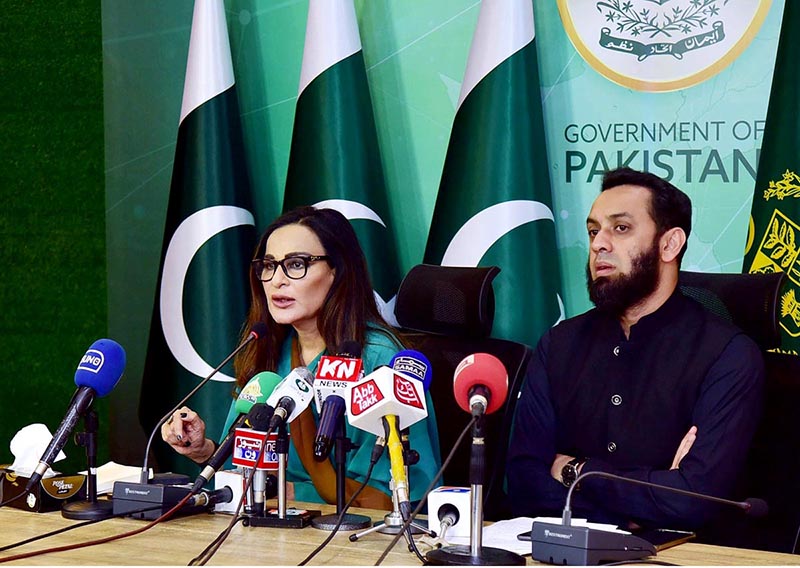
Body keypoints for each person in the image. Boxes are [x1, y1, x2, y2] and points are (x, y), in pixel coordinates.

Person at [506, 167, 764, 531]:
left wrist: (575, 470)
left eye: (621, 228)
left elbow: (695, 500)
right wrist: (635, 511)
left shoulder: (728, 355)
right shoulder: (559, 344)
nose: (598, 244)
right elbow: (522, 483)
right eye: (594, 230)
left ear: (669, 244)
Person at [161, 206, 440, 508]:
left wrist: (292, 493)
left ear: (337, 271)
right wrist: (205, 450)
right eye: (269, 266)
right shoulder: (267, 350)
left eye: (296, 264)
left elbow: (403, 490)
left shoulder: (380, 359)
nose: (277, 280)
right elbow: (244, 469)